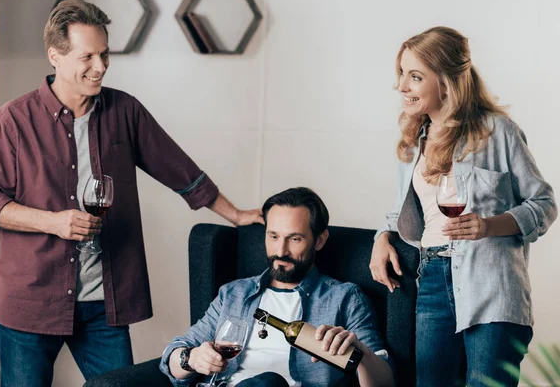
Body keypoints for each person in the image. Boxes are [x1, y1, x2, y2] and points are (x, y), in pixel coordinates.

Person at [0, 0, 262, 386]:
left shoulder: (125, 112)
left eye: (105, 54)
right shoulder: (12, 122)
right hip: (29, 302)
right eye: (88, 56)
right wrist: (52, 222)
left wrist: (236, 215)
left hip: (103, 304)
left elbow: (182, 172)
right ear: (55, 56)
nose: (101, 66)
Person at [369, 26, 557, 386]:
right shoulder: (413, 143)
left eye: (415, 76)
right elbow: (400, 213)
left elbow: (544, 204)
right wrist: (381, 237)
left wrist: (489, 225)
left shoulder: (497, 131)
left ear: (447, 82)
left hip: (492, 285)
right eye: (401, 74)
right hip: (432, 282)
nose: (402, 86)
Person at [160, 187, 394, 387]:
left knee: (269, 382)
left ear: (319, 240)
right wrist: (191, 359)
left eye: (294, 239)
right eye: (273, 237)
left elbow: (386, 381)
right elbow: (172, 356)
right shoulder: (234, 294)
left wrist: (360, 353)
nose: (280, 251)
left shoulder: (344, 298)